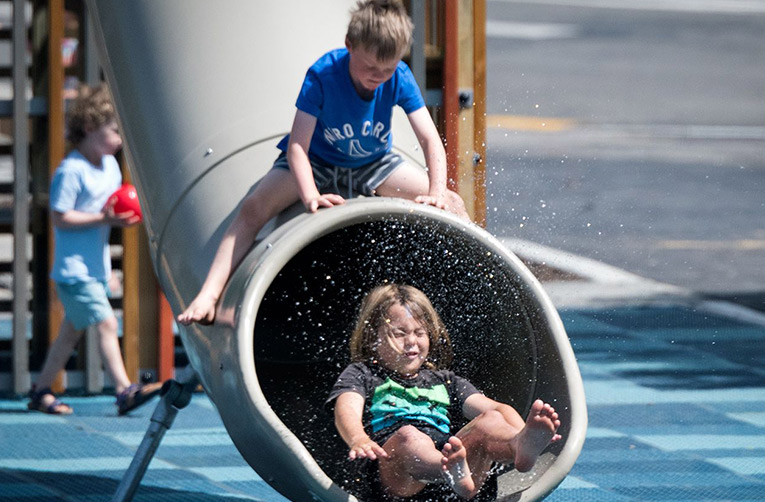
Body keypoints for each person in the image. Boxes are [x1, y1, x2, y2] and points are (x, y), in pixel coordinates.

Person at [176, 0, 468, 327]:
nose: (378, 77)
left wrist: (437, 191)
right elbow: (298, 148)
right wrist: (311, 194)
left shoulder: (398, 76)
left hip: (373, 162)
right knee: (253, 208)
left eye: (387, 69)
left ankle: (467, 296)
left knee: (452, 203)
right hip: (318, 161)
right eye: (371, 67)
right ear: (350, 46)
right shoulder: (324, 74)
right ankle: (209, 295)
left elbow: (430, 139)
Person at [329, 284, 561, 502]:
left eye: (420, 332)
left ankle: (518, 447)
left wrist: (521, 433)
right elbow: (346, 408)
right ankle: (445, 468)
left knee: (489, 420)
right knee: (410, 437)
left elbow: (498, 409)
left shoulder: (445, 381)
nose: (411, 341)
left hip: (458, 478)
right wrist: (358, 438)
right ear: (372, 337)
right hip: (394, 478)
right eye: (399, 333)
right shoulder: (363, 374)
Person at [28, 84, 161, 415]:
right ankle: (124, 390)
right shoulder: (71, 170)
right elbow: (60, 217)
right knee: (104, 324)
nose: (119, 140)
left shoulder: (111, 167)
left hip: (95, 268)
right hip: (74, 271)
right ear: (89, 128)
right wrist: (104, 218)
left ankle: (41, 391)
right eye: (114, 131)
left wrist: (118, 220)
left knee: (68, 338)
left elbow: (110, 212)